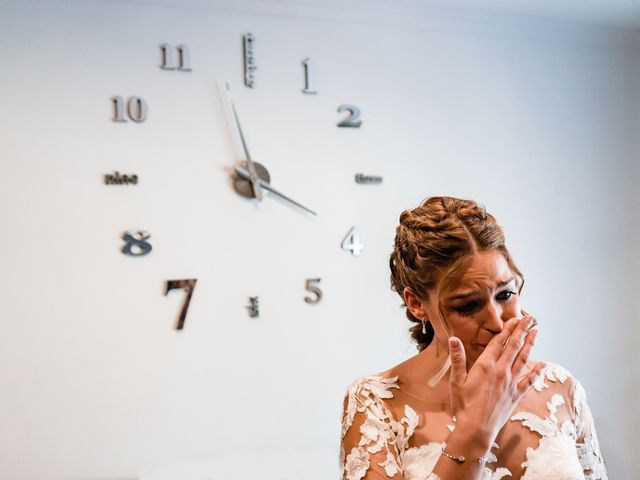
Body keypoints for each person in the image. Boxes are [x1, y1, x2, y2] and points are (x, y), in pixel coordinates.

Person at [339, 196, 607, 480]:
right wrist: (475, 430)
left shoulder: (562, 389)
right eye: (467, 306)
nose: (496, 321)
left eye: (505, 295)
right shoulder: (377, 403)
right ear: (417, 303)